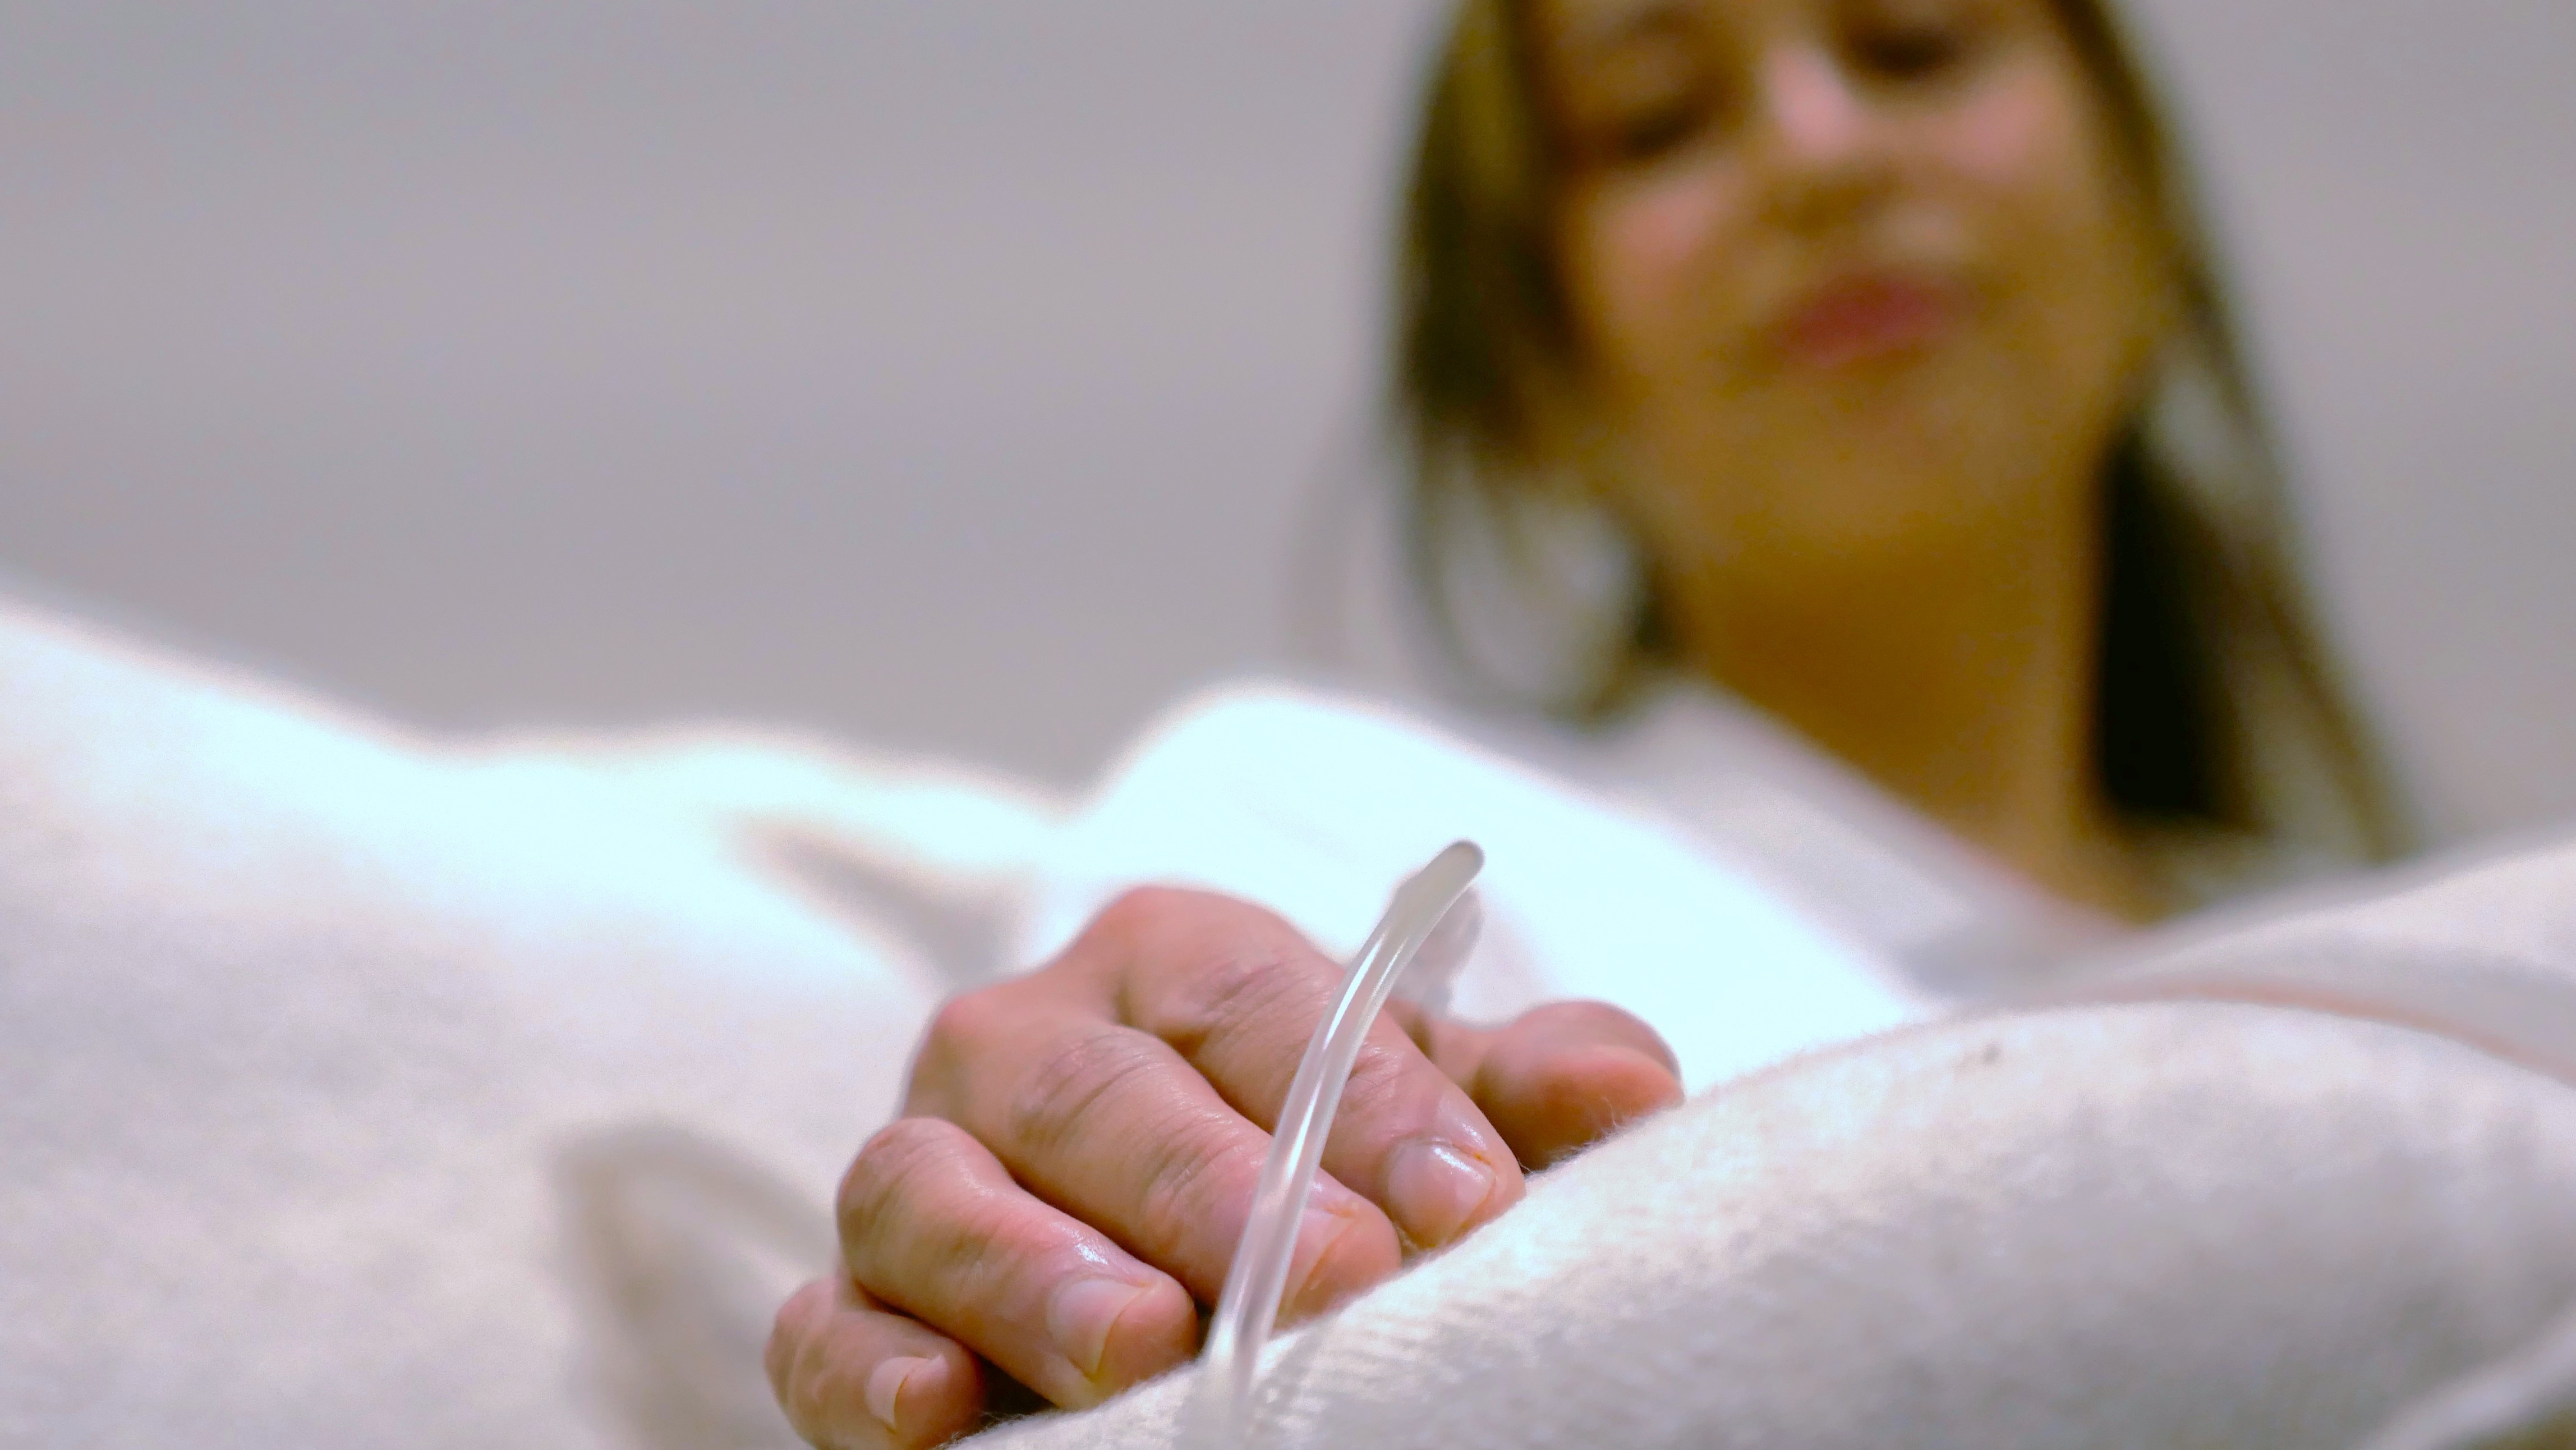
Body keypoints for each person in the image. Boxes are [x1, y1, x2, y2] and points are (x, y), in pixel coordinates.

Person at [769, 0, 2412, 1442]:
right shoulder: (1329, 835)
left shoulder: (2409, 960)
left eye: (1917, 42)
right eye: (1654, 122)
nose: (1820, 153)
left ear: (2145, 222)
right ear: (1533, 384)